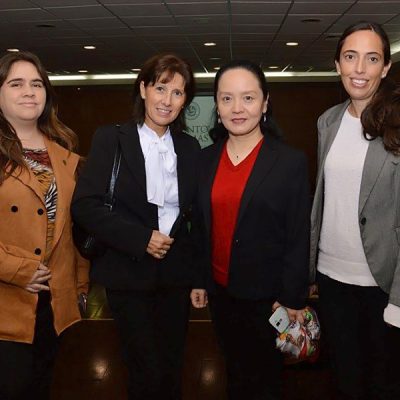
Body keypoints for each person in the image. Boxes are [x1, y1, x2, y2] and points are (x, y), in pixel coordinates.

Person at [71, 53, 200, 400]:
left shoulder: (189, 147)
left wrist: (198, 279)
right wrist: (141, 238)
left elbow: (194, 217)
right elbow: (84, 206)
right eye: (160, 88)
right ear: (143, 89)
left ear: (185, 100)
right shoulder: (110, 139)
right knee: (144, 369)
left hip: (175, 277)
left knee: (173, 367)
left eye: (177, 93)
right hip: (128, 273)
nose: (167, 100)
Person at [190, 60, 310, 400]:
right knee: (234, 371)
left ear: (265, 102)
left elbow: (299, 233)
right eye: (227, 99)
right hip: (221, 292)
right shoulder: (205, 159)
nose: (237, 108)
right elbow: (200, 227)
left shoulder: (289, 162)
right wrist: (200, 279)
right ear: (216, 105)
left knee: (266, 379)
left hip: (269, 298)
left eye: (248, 98)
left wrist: (291, 298)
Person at [309, 21, 400, 399]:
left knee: (383, 384)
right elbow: (325, 197)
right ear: (337, 64)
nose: (360, 69)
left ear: (386, 68)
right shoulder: (327, 121)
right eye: (351, 57)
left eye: (371, 58)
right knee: (345, 381)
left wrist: (398, 299)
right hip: (331, 281)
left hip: (382, 284)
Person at [0, 51, 89, 400]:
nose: (29, 92)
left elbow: (76, 226)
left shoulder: (67, 154)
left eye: (36, 84)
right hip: (7, 300)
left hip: (54, 304)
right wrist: (18, 269)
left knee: (39, 386)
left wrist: (80, 285)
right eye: (16, 83)